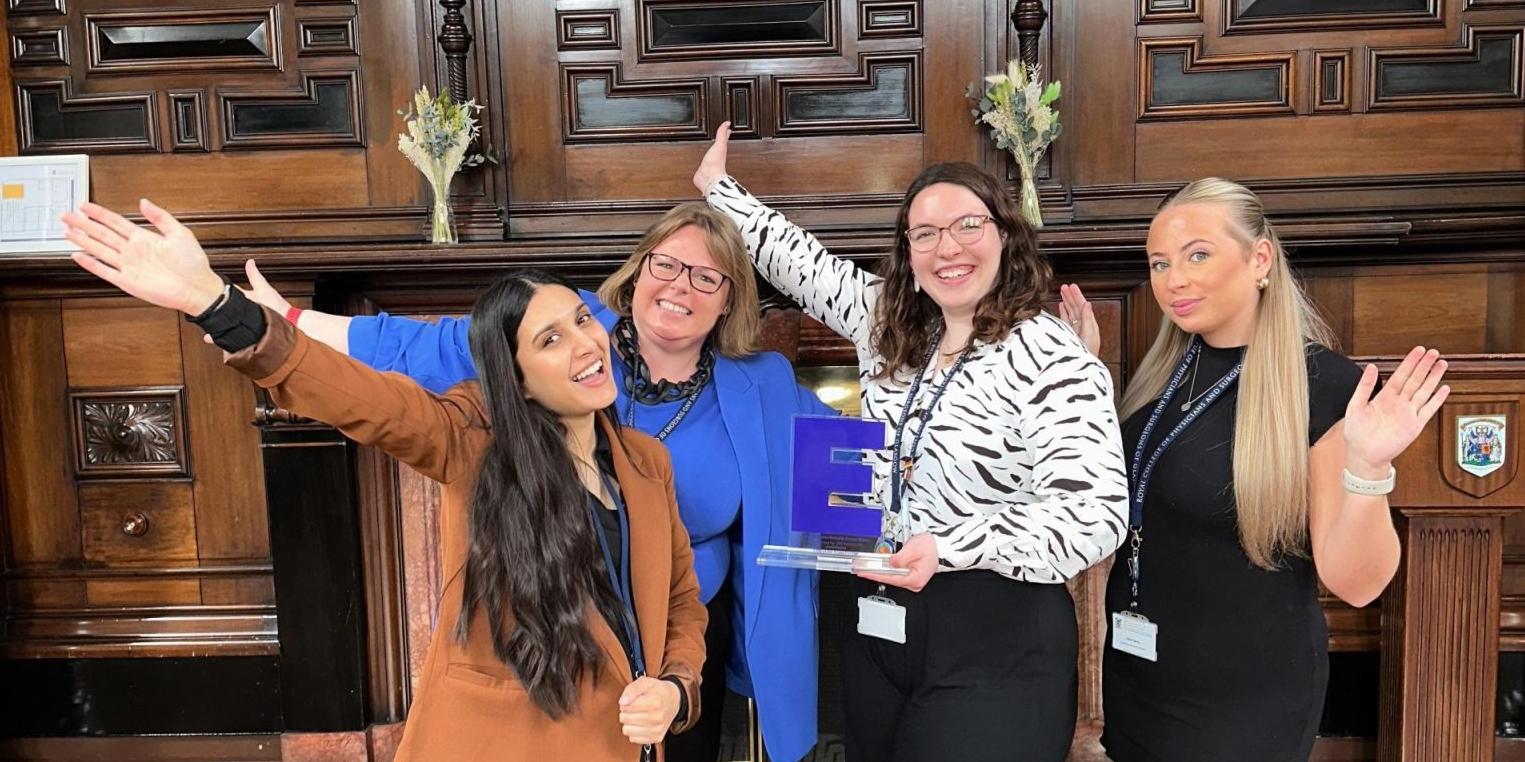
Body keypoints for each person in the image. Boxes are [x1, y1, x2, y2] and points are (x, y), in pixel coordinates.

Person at [61, 200, 708, 762]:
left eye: (581, 320)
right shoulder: (472, 440)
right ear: (513, 376)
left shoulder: (645, 461)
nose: (584, 344)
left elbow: (681, 598)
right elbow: (367, 400)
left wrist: (676, 689)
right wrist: (217, 304)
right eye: (549, 339)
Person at [236, 202, 833, 762]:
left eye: (708, 277)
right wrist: (285, 324)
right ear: (638, 269)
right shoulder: (575, 330)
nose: (681, 285)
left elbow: (853, 450)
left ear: (729, 301)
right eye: (668, 264)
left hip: (676, 654)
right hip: (549, 653)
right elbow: (413, 373)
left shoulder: (760, 387)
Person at [693, 124, 1130, 761]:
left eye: (967, 226)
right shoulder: (891, 326)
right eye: (924, 234)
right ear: (908, 252)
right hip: (882, 627)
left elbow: (1095, 518)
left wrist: (948, 547)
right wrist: (717, 189)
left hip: (994, 637)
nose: (946, 247)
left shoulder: (1051, 353)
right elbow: (803, 264)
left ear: (1004, 237)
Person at [1058, 178, 1449, 761]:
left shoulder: (1322, 386)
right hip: (1143, 677)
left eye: (1198, 255)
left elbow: (1358, 583)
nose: (1174, 280)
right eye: (1160, 263)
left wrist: (1369, 464)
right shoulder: (1161, 374)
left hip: (1245, 699)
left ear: (1259, 257)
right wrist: (1079, 380)